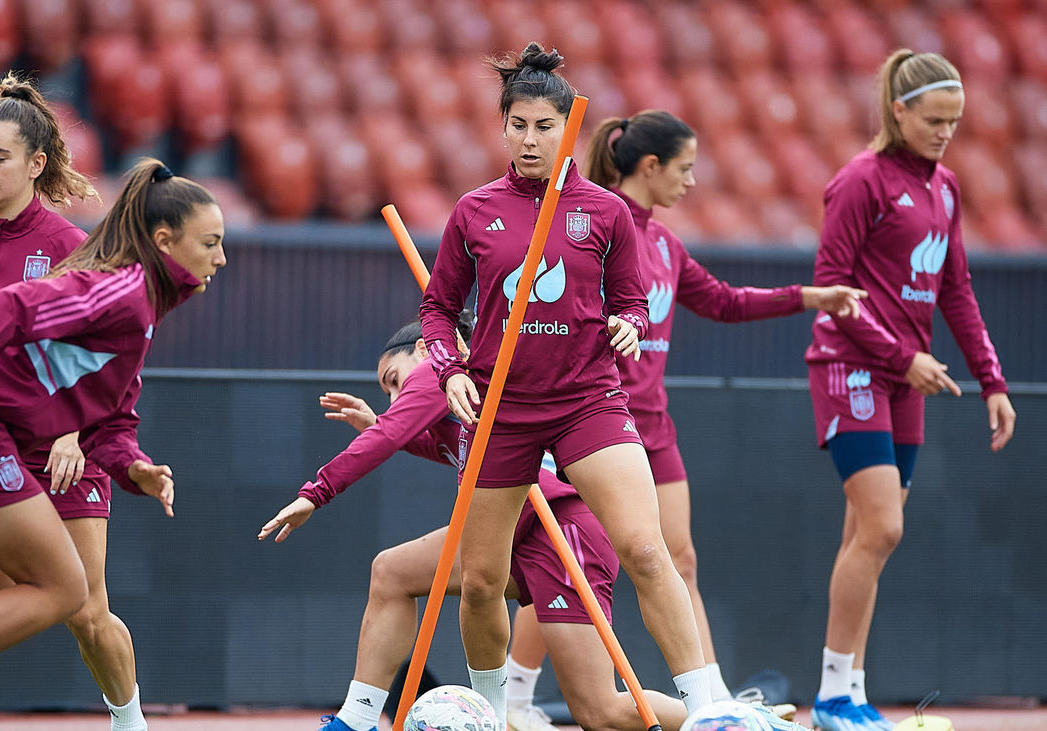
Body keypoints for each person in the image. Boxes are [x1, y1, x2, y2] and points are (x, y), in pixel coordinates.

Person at [0, 157, 226, 731]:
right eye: (211, 242)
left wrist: (136, 469)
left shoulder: (139, 308)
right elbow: (9, 306)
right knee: (65, 587)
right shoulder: (122, 293)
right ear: (165, 242)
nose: (221, 257)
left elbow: (112, 419)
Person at [418, 42, 710, 720]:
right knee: (483, 579)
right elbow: (437, 309)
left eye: (543, 126)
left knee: (645, 545)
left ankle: (707, 706)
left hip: (588, 402)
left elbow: (632, 300)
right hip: (500, 410)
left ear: (568, 128)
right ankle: (492, 712)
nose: (528, 139)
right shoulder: (473, 210)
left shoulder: (604, 211)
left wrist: (630, 324)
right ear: (502, 126)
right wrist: (449, 367)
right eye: (516, 124)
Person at [258, 320, 691, 731]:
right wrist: (381, 424)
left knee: (602, 712)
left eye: (394, 380)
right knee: (395, 572)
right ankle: (358, 717)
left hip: (559, 528)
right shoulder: (462, 390)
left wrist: (316, 492)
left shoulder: (440, 372)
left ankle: (725, 721)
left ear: (426, 349)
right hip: (520, 527)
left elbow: (389, 435)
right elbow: (440, 446)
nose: (393, 397)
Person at [580, 110, 868, 705]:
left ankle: (711, 703)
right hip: (597, 420)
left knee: (680, 558)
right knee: (576, 564)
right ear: (651, 166)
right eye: (684, 169)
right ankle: (521, 698)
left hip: (653, 425)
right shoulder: (598, 228)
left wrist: (811, 296)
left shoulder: (663, 241)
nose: (691, 182)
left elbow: (725, 302)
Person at [804, 50, 1015, 731]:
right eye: (933, 120)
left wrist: (992, 379)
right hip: (851, 367)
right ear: (899, 111)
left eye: (953, 122)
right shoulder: (860, 181)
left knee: (868, 535)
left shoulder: (946, 187)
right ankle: (835, 695)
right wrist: (904, 355)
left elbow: (955, 288)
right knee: (883, 525)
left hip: (904, 377)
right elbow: (833, 291)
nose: (944, 132)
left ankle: (849, 692)